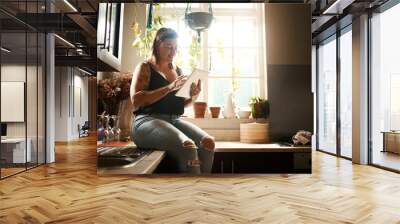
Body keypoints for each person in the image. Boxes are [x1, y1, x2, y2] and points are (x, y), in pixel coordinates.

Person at [130, 27, 215, 174]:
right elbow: (136, 100)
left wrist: (194, 96)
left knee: (208, 143)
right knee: (188, 146)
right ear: (157, 45)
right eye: (169, 47)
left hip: (173, 120)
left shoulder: (178, 71)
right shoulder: (145, 67)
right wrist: (169, 87)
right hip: (146, 121)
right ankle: (193, 192)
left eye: (175, 48)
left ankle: (202, 186)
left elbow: (181, 104)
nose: (173, 52)